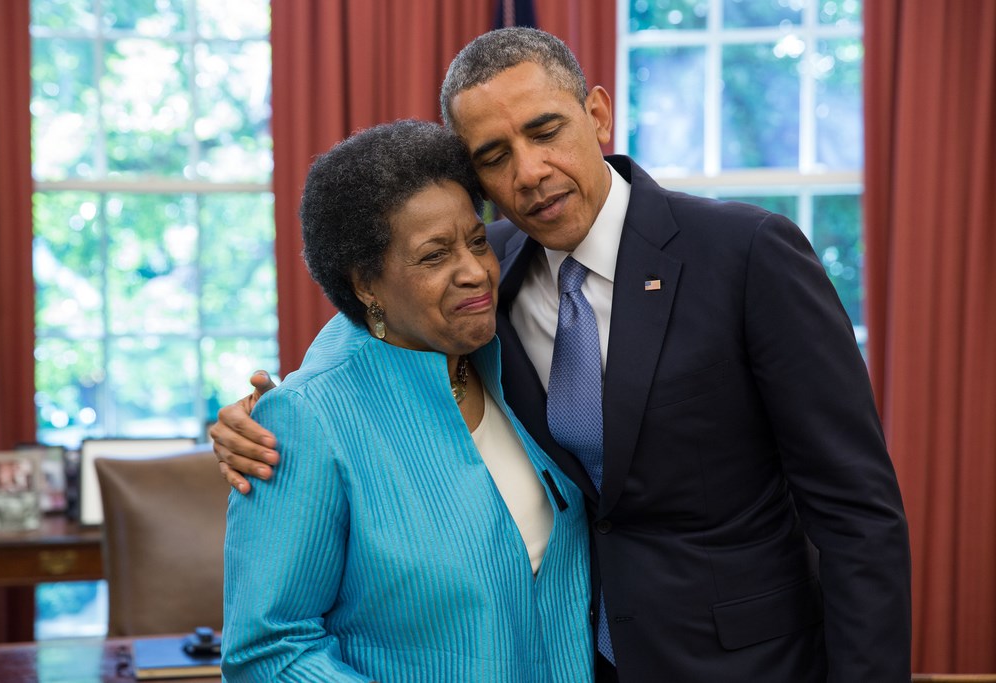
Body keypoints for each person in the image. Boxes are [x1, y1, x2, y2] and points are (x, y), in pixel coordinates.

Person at [211, 27, 912, 682]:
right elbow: (381, 324)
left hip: (743, 661)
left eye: (545, 130)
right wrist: (267, 411)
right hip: (577, 658)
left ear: (597, 115)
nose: (530, 171)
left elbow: (857, 512)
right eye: (494, 156)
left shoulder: (748, 254)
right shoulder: (492, 273)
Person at [219, 119, 593, 682]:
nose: (475, 272)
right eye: (434, 255)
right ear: (366, 283)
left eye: (475, 241)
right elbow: (267, 653)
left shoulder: (507, 355)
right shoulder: (305, 421)